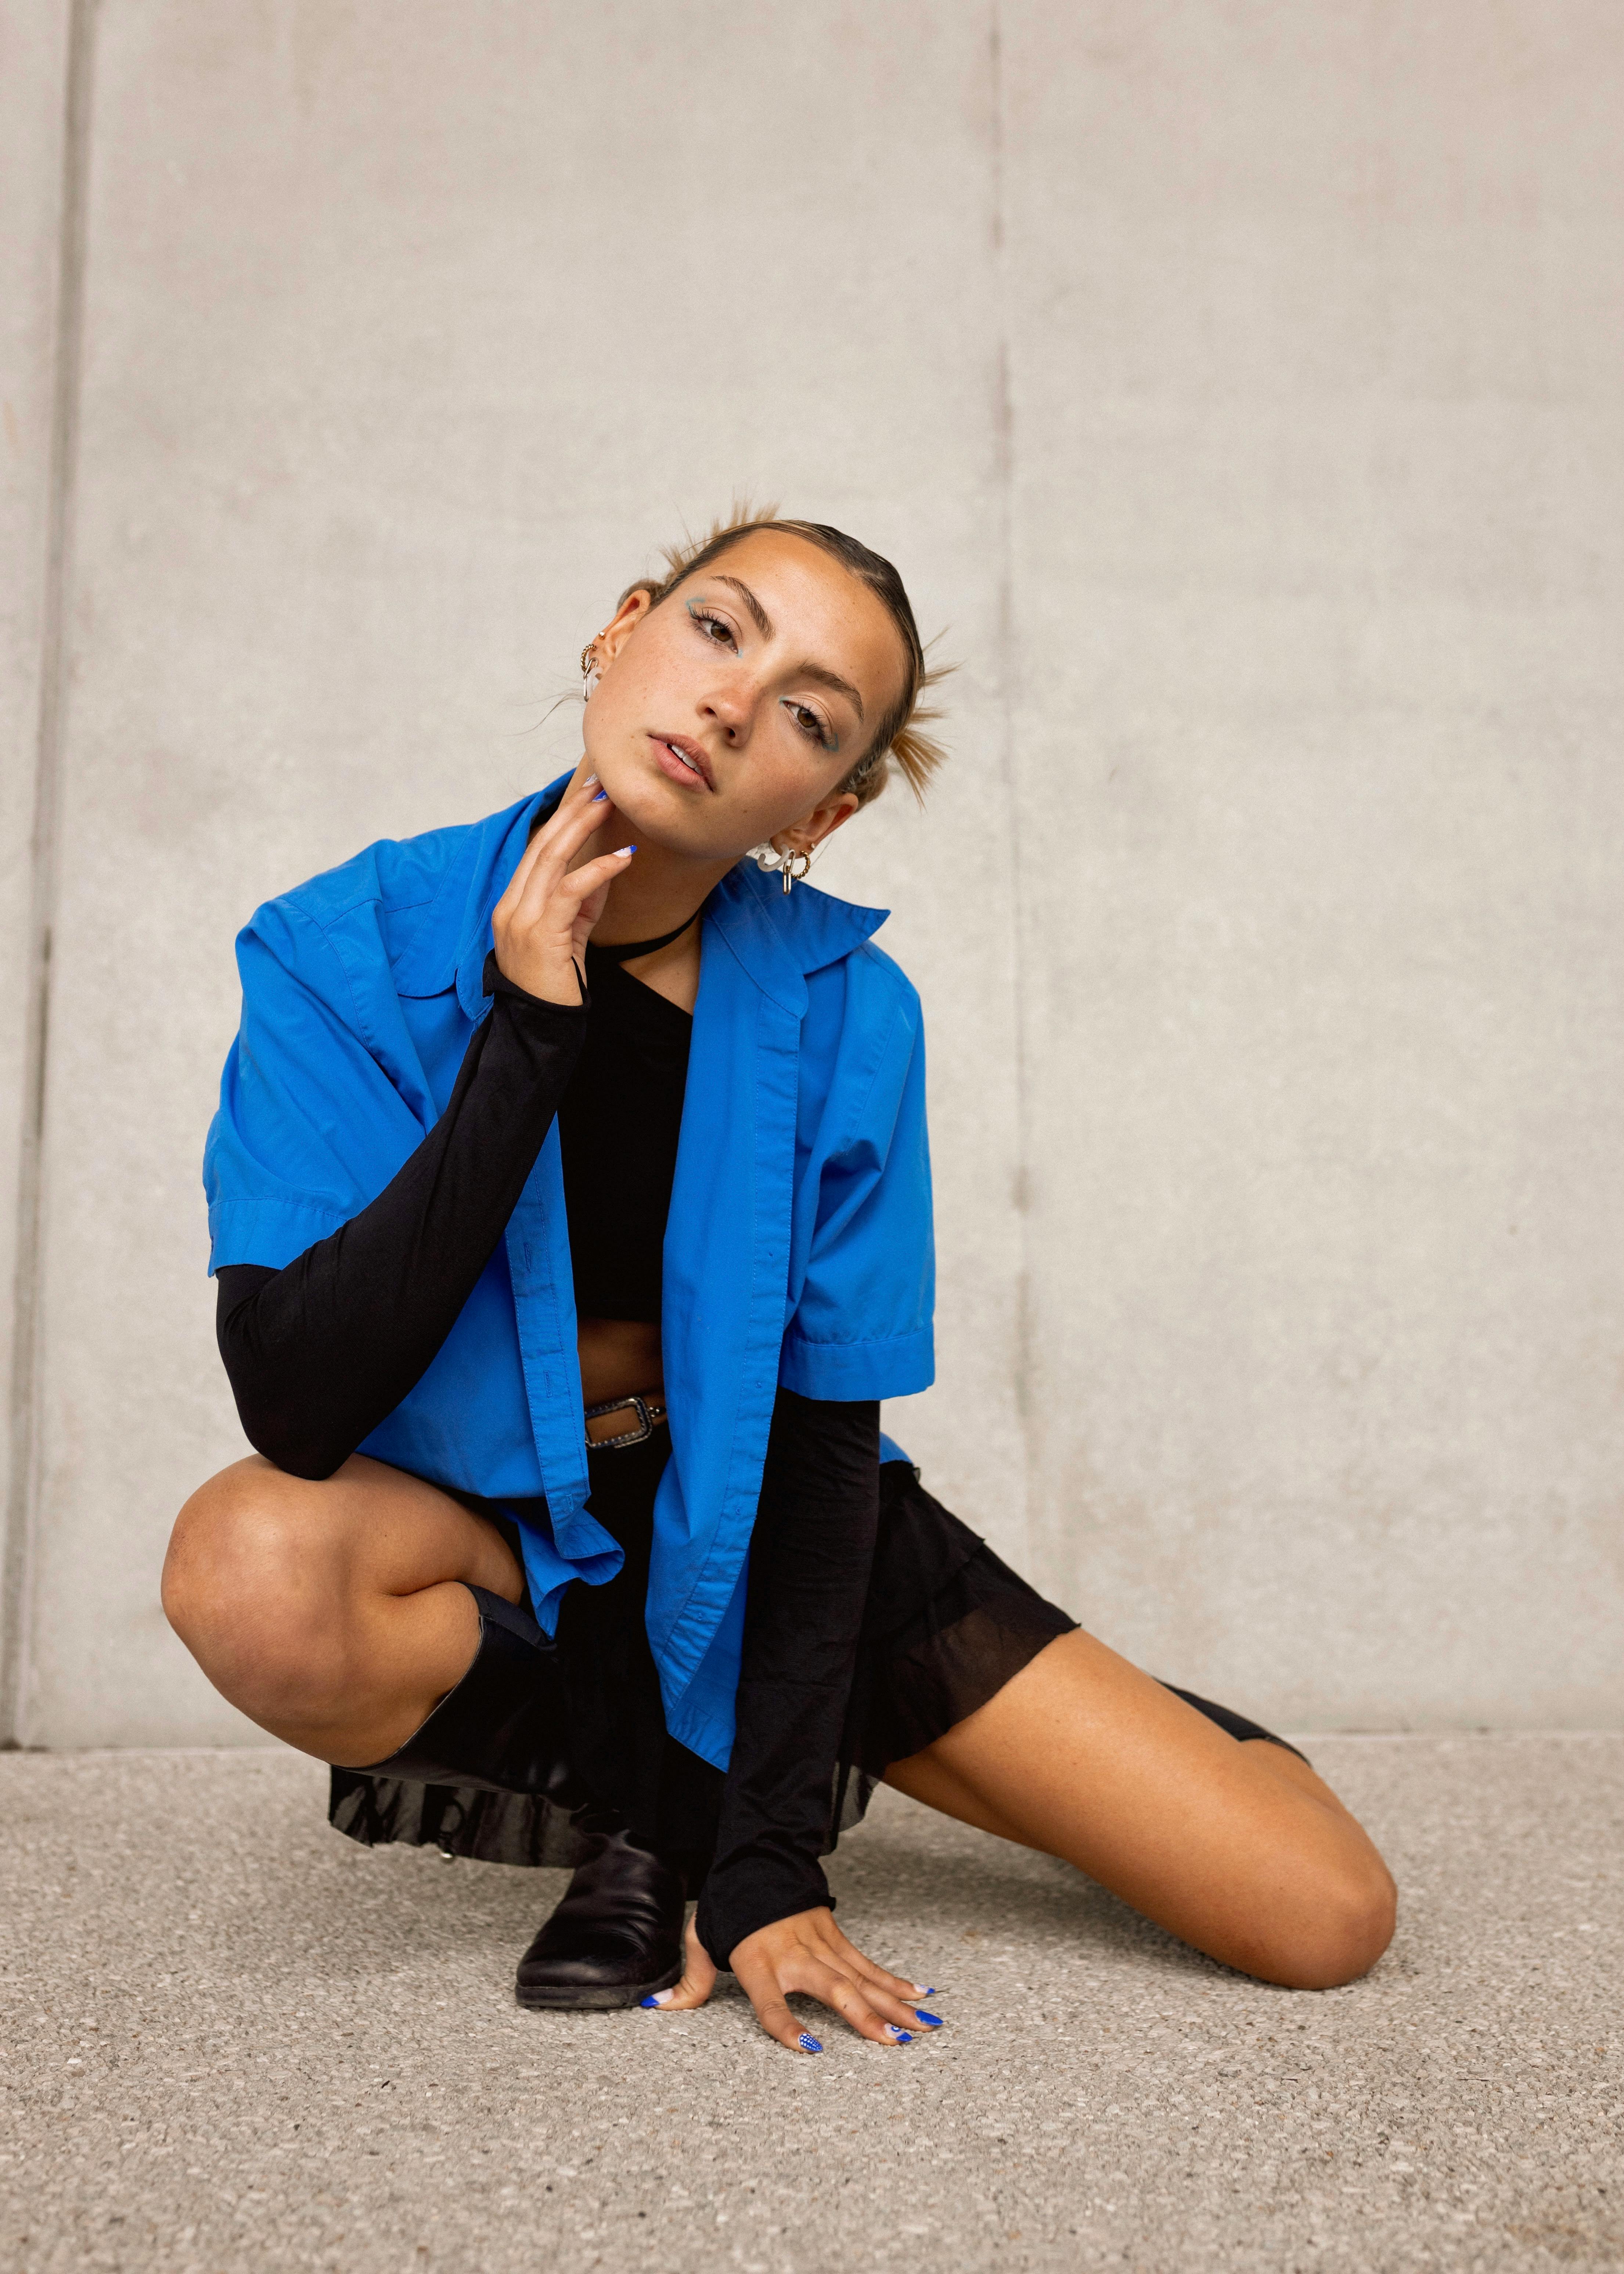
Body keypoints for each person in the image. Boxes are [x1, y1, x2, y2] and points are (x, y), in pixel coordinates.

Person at [163, 511, 1396, 2055]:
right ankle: (651, 1796)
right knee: (245, 1566)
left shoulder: (847, 1012)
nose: (734, 703)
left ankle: (1094, 1739)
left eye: (810, 716)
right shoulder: (342, 946)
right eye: (716, 631)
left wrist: (772, 1863)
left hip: (767, 1526)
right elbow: (294, 1396)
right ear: (622, 630)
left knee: (1319, 1911)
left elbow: (821, 1449)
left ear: (825, 806)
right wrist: (530, 1036)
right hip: (499, 1529)